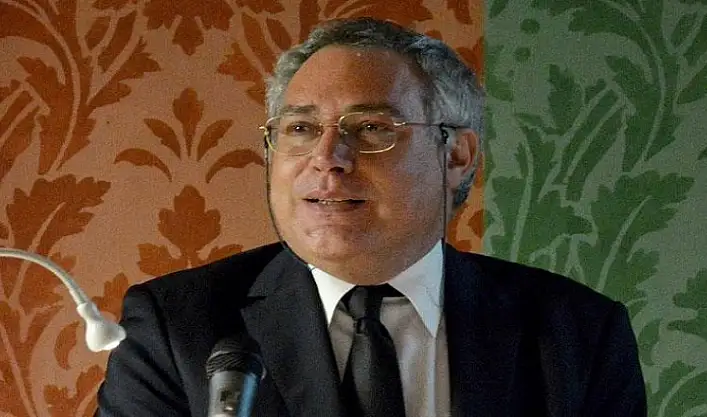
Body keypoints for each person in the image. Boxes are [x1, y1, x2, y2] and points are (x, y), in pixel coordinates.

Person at [95, 17, 647, 417]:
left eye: (373, 129)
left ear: (456, 156)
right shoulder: (175, 328)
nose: (327, 158)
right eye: (300, 128)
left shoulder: (579, 333)